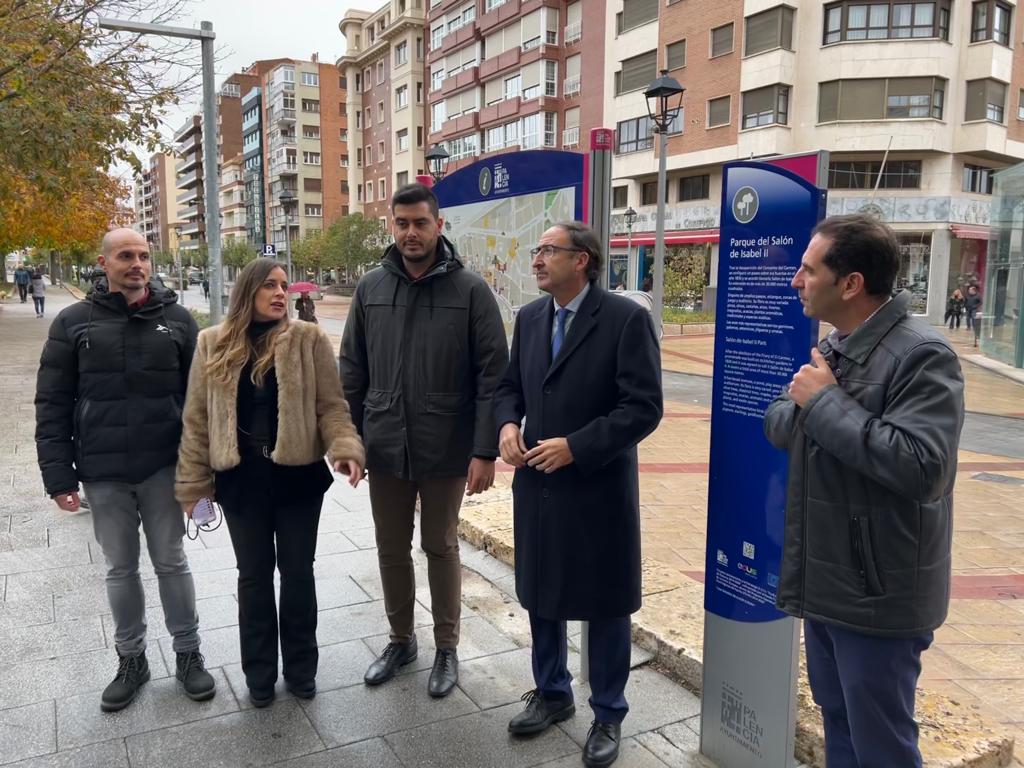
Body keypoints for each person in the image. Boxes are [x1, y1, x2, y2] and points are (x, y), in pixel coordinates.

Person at [764, 214, 964, 768]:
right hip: (827, 581)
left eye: (807, 270)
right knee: (841, 729)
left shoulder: (922, 355)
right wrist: (814, 403)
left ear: (850, 283)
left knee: (883, 746)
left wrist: (823, 403)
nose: (795, 282)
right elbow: (779, 424)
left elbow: (924, 468)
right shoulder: (838, 347)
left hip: (878, 593)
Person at [494, 222, 663, 768]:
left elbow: (642, 407)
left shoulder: (625, 319)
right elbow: (510, 387)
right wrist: (506, 427)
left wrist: (578, 447)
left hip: (597, 487)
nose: (538, 259)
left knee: (605, 602)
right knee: (542, 593)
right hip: (538, 487)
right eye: (538, 250)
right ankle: (552, 693)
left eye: (549, 250)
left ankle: (608, 712)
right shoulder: (531, 317)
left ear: (583, 260)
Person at [35, 228, 215, 712]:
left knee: (172, 562)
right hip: (102, 471)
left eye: (143, 256)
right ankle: (131, 660)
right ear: (104, 262)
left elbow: (200, 402)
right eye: (125, 256)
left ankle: (188, 654)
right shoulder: (73, 322)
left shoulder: (177, 321)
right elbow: (52, 402)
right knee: (120, 569)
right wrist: (59, 477)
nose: (136, 264)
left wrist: (204, 471)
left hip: (164, 467)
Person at [340, 183, 507, 698]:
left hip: (445, 445)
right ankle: (400, 639)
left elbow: (492, 377)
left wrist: (483, 451)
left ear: (438, 226)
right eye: (401, 223)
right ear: (391, 226)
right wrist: (350, 442)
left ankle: (447, 647)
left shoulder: (471, 290)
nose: (411, 232)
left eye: (420, 223)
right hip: (385, 443)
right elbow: (352, 371)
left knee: (439, 545)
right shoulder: (370, 288)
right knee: (390, 547)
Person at [176, 257, 363, 707]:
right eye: (270, 286)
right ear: (248, 292)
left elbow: (331, 406)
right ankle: (259, 674)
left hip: (297, 479)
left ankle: (301, 669)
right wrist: (194, 485)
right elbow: (197, 420)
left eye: (284, 286)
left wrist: (345, 448)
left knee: (298, 575)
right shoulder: (212, 343)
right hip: (240, 481)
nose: (281, 294)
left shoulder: (308, 339)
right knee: (253, 578)